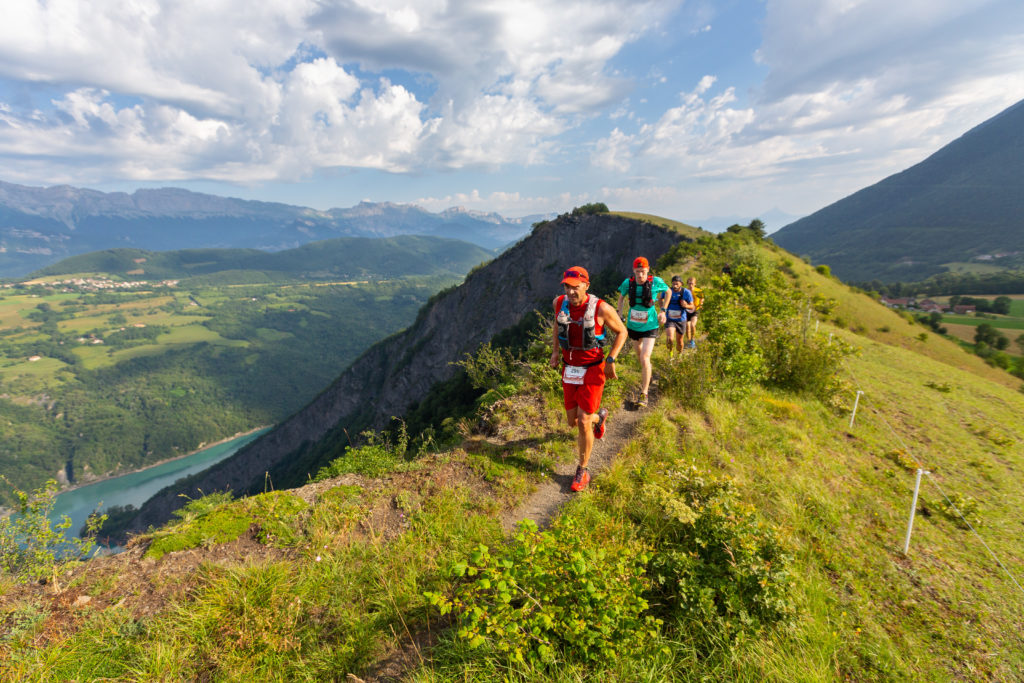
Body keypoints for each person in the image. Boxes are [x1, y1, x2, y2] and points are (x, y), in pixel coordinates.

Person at [549, 266, 627, 492]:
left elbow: (622, 331)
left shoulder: (601, 308)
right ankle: (599, 417)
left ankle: (582, 470)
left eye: (576, 287)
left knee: (582, 422)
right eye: (567, 287)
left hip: (593, 370)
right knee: (572, 421)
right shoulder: (559, 303)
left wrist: (611, 359)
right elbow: (557, 326)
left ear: (586, 285)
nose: (571, 292)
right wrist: (555, 352)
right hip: (570, 368)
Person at [617, 257, 669, 407]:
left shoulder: (656, 282)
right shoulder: (628, 283)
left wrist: (663, 311)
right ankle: (648, 373)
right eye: (638, 271)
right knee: (640, 355)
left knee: (645, 357)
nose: (640, 275)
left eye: (643, 271)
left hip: (650, 325)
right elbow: (621, 298)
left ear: (648, 270)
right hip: (633, 325)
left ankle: (644, 393)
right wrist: (619, 314)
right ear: (634, 271)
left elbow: (669, 291)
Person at [663, 275, 694, 359]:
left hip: (681, 319)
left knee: (679, 341)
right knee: (670, 338)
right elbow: (661, 299)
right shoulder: (667, 291)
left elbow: (692, 306)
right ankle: (671, 356)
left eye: (677, 283)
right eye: (673, 283)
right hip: (670, 318)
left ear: (681, 284)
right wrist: (663, 309)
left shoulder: (686, 292)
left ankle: (679, 355)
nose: (675, 285)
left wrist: (686, 305)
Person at [685, 276, 703, 349]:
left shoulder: (698, 291)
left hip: (695, 310)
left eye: (692, 283)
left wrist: (701, 303)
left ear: (695, 284)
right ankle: (689, 341)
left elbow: (702, 298)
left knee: (692, 325)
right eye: (689, 283)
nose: (691, 285)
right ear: (687, 284)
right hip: (686, 310)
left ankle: (692, 340)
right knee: (687, 326)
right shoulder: (685, 291)